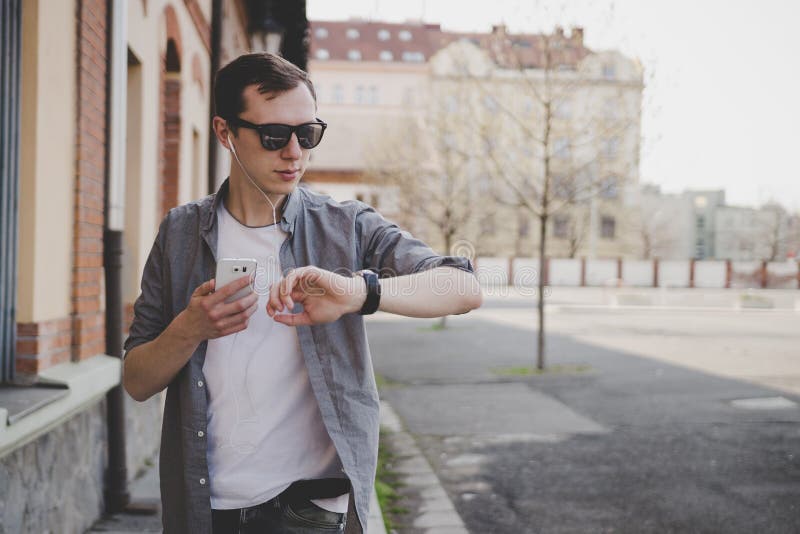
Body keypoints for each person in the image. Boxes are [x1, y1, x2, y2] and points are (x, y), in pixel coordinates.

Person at [123, 53, 482, 534]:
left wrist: (358, 294)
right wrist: (190, 329)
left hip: (308, 507)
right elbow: (137, 380)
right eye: (274, 136)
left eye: (307, 134)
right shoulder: (181, 232)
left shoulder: (344, 226)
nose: (294, 152)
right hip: (205, 505)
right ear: (224, 132)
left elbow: (461, 287)